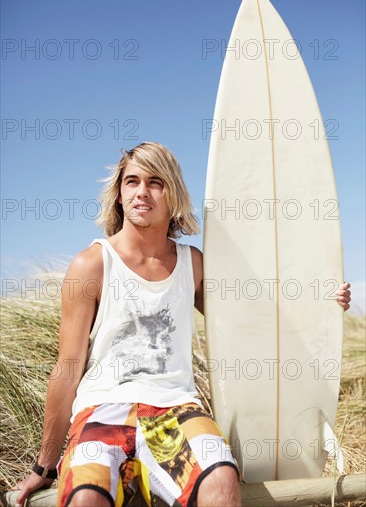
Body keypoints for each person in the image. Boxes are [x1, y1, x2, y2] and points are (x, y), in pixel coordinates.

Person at [15, 142, 351, 507]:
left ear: (173, 193)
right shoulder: (92, 265)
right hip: (102, 410)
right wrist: (45, 466)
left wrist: (321, 305)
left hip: (175, 409)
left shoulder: (194, 264)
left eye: (156, 182)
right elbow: (67, 369)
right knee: (86, 498)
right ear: (119, 194)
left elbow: (249, 322)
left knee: (221, 479)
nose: (142, 192)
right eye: (132, 181)